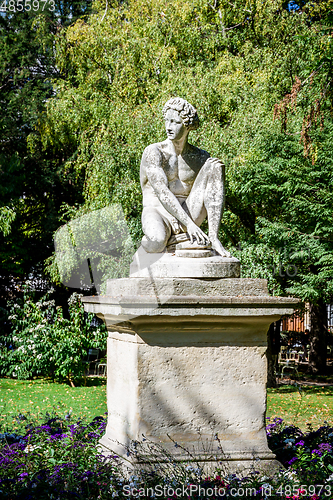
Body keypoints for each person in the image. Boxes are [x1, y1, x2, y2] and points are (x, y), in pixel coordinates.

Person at [140, 97, 230, 257]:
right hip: (159, 214)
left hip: (189, 213)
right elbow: (162, 192)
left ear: (187, 125)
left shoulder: (200, 157)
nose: (168, 127)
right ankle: (157, 244)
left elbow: (208, 193)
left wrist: (190, 224)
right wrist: (189, 225)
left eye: (175, 122)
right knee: (156, 242)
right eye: (167, 121)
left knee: (215, 165)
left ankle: (214, 238)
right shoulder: (154, 152)